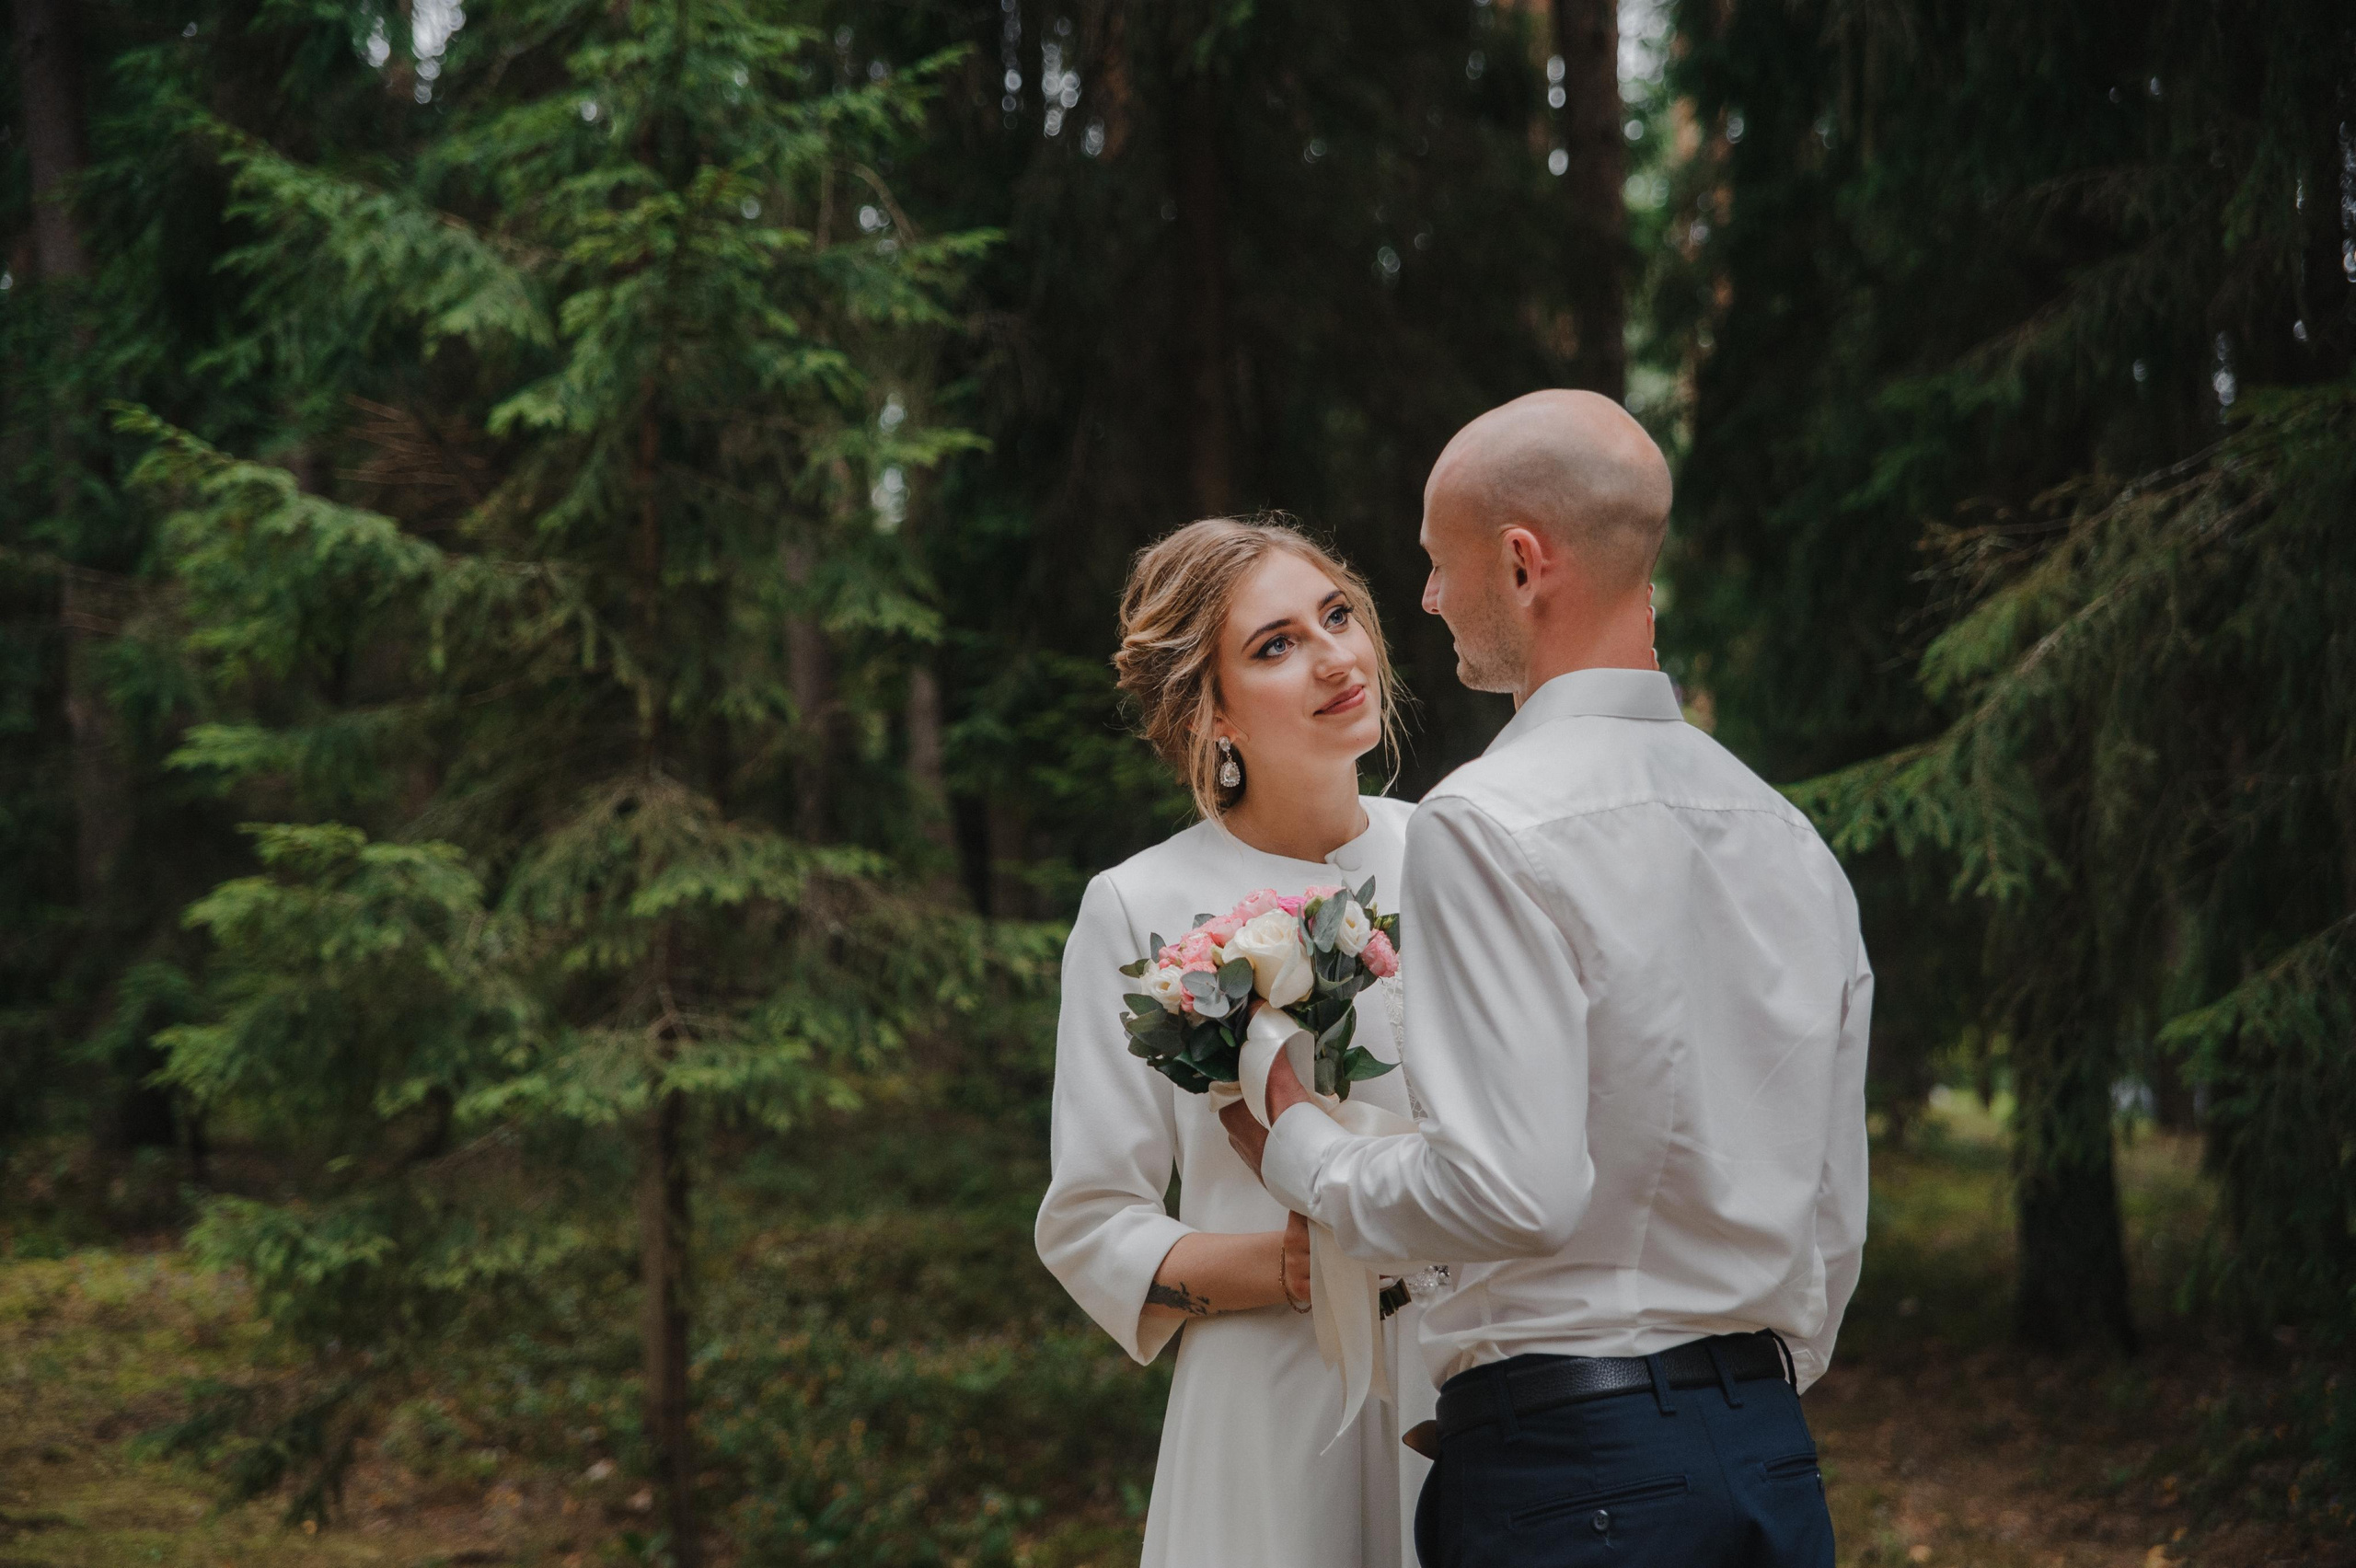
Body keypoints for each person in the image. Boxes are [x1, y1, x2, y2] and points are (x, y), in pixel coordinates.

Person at [1224, 390, 1871, 1568]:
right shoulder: (1789, 837)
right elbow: (1831, 1219)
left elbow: (1515, 1192)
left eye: (1436, 564)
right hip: (1771, 1457)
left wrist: (1303, 1150)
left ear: (1522, 564)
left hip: (1578, 1477)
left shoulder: (1487, 819)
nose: (1423, 599)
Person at [1034, 516, 1441, 1568]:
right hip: (1266, 1404)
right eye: (1275, 645)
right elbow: (1089, 1223)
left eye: (1337, 615)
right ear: (1209, 711)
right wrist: (1298, 1268)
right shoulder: (1137, 903)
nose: (1333, 655)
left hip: (1463, 1385)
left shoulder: (1456, 859)